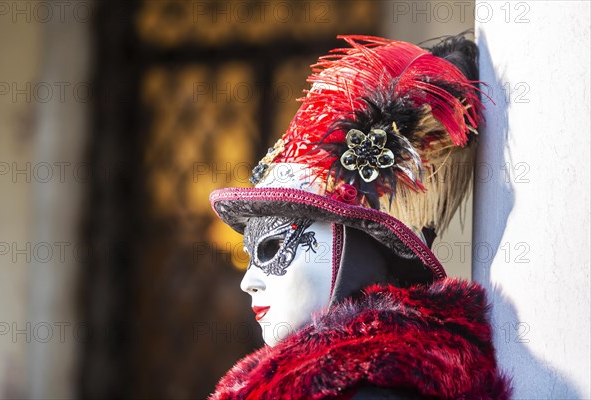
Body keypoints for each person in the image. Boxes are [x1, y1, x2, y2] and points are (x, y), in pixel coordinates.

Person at [209, 34, 512, 399]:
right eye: (251, 252)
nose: (249, 281)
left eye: (271, 247)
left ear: (352, 245)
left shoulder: (373, 389)